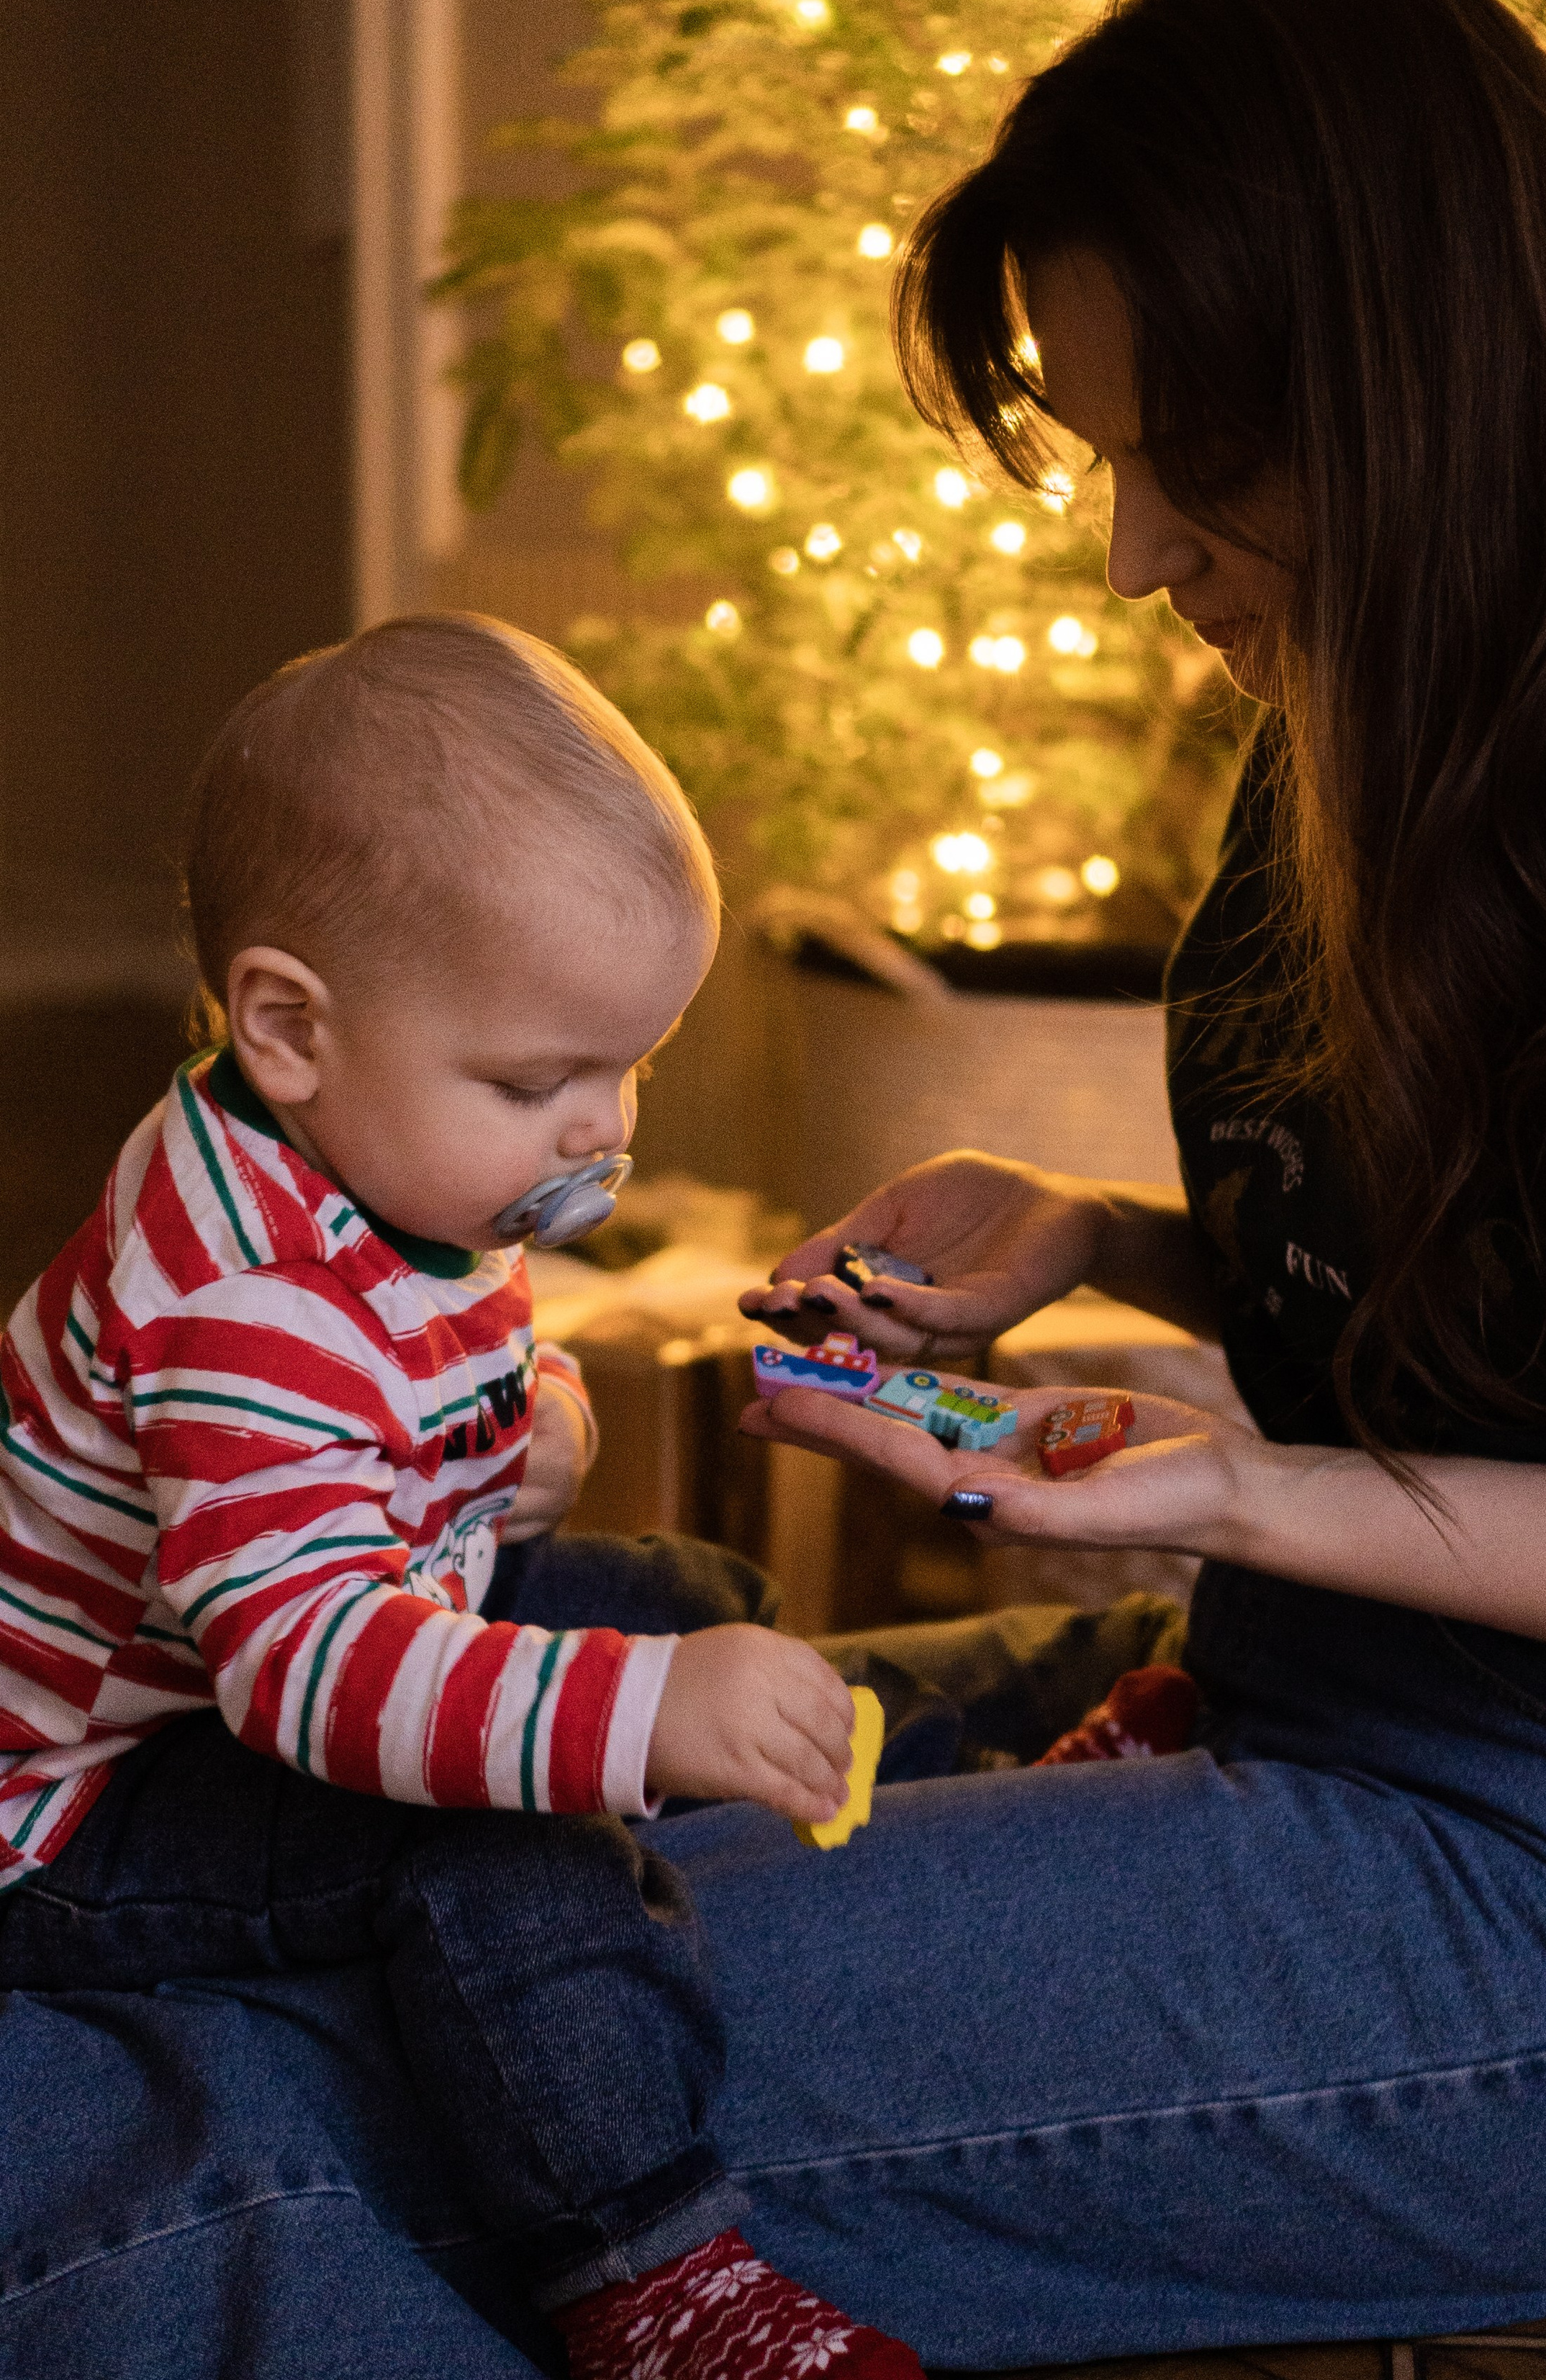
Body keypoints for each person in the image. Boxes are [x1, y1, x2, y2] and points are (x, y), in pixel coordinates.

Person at [697, 0, 1546, 2369]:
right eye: (1115, 457)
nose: (1130, 553)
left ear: (1417, 377)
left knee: (573, 2008)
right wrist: (1099, 1238)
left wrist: (1252, 1488)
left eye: (1192, 462)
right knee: (524, 1848)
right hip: (1323, 1673)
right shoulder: (1359, 691)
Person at [0, 614, 924, 2380]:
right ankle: (651, 2272)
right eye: (537, 1084)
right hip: (87, 1803)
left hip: (293, 1627)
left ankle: (939, 1730)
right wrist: (629, 1716)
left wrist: (535, 1420)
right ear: (287, 1028)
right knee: (503, 1827)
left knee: (683, 1592)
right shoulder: (235, 1297)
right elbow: (307, 1669)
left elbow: (412, 1375)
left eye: (629, 1064)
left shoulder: (389, 1156)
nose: (603, 1137)